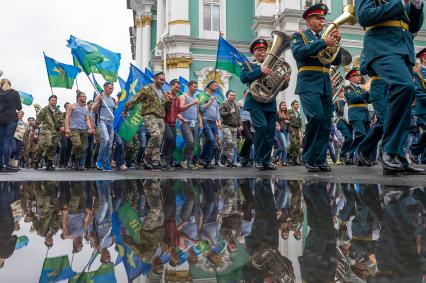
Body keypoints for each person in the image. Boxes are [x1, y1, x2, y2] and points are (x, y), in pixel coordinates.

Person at [356, 0, 424, 175]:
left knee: (406, 98)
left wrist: (416, 6)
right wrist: (401, 2)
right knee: (405, 87)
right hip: (382, 47)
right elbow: (364, 16)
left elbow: (413, 26)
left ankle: (398, 157)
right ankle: (388, 150)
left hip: (403, 48)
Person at [291, 3, 342, 172]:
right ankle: (308, 156)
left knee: (326, 122)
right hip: (308, 82)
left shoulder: (325, 39)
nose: (322, 21)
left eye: (323, 18)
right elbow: (299, 53)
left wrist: (336, 42)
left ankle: (320, 159)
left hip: (325, 83)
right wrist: (322, 43)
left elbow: (336, 60)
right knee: (316, 118)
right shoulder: (299, 36)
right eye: (318, 18)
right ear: (308, 20)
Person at [241, 38, 290, 170]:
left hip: (269, 102)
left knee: (269, 132)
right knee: (261, 128)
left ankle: (266, 161)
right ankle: (257, 159)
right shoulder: (248, 64)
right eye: (259, 50)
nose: (262, 52)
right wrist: (260, 71)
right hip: (255, 102)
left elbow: (276, 86)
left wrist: (284, 82)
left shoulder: (273, 66)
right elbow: (244, 78)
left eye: (264, 50)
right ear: (254, 52)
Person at [124, 71, 169, 170]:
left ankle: (155, 163)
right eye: (161, 80)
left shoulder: (163, 92)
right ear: (155, 79)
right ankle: (147, 156)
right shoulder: (147, 89)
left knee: (159, 141)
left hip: (160, 117)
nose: (162, 82)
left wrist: (169, 100)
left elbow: (167, 106)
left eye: (164, 80)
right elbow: (135, 99)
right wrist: (126, 109)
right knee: (156, 135)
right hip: (149, 115)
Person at [343, 68, 371, 164]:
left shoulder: (361, 88)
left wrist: (370, 94)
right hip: (356, 114)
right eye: (357, 76)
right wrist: (365, 93)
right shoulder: (349, 88)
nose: (359, 77)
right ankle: (348, 153)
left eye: (359, 75)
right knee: (361, 134)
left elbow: (368, 100)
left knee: (367, 136)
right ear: (351, 77)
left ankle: (361, 157)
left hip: (365, 114)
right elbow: (352, 99)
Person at [32, 95, 64, 170]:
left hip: (55, 132)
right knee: (42, 146)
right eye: (52, 100)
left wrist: (63, 126)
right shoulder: (44, 110)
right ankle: (37, 161)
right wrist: (33, 130)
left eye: (55, 100)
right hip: (46, 131)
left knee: (53, 147)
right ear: (49, 101)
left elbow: (62, 121)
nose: (54, 101)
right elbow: (38, 120)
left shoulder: (58, 111)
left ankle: (49, 163)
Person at [65, 90, 93, 171]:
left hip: (83, 129)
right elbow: (67, 117)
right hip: (74, 129)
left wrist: (90, 128)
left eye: (85, 96)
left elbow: (87, 119)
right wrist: (67, 128)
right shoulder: (72, 106)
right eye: (83, 96)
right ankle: (72, 156)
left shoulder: (85, 108)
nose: (85, 98)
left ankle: (77, 162)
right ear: (78, 97)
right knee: (77, 144)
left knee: (83, 147)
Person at [92, 81, 116, 172]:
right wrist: (98, 101)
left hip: (111, 123)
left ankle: (106, 163)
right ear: (105, 88)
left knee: (110, 144)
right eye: (110, 88)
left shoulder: (113, 99)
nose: (111, 90)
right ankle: (99, 160)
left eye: (112, 88)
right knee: (105, 139)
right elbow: (93, 109)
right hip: (102, 121)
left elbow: (115, 111)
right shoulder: (99, 96)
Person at [178, 80, 203, 169]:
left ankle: (189, 162)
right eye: (194, 87)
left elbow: (198, 112)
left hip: (194, 123)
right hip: (185, 122)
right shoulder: (183, 96)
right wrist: (192, 103)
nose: (196, 89)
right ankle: (183, 160)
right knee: (190, 141)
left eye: (196, 87)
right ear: (189, 87)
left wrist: (200, 122)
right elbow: (180, 108)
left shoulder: (196, 99)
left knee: (194, 143)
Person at [0, 78, 22, 172]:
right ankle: (5, 164)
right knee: (7, 142)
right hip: (11, 119)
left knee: (1, 142)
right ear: (10, 84)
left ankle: (0, 164)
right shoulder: (15, 93)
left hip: (0, 119)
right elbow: (19, 107)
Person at [199, 80, 222, 169]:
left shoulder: (215, 98)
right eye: (215, 85)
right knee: (211, 139)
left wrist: (218, 120)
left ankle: (207, 162)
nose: (216, 87)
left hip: (213, 123)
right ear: (209, 86)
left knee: (213, 143)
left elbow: (217, 111)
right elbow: (201, 108)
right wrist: (209, 102)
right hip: (206, 121)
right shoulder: (203, 96)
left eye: (217, 85)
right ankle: (202, 158)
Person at [160, 79, 181, 169]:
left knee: (173, 143)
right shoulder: (165, 95)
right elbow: (161, 107)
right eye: (176, 87)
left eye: (178, 88)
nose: (177, 89)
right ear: (171, 86)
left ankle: (167, 162)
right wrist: (168, 100)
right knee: (168, 137)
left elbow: (177, 112)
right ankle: (162, 156)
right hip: (165, 121)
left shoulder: (177, 98)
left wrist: (181, 117)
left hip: (173, 122)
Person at [219, 90, 242, 167]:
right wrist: (229, 112)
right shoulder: (224, 104)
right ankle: (223, 157)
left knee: (233, 144)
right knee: (229, 141)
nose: (233, 96)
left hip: (234, 127)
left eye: (234, 95)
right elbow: (221, 113)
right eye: (232, 95)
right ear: (227, 96)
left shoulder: (235, 106)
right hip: (226, 126)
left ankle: (229, 161)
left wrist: (240, 125)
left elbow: (238, 117)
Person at [334, 88, 353, 165]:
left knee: (351, 140)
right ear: (339, 94)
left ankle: (347, 157)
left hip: (349, 123)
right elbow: (338, 111)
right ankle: (342, 155)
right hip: (342, 122)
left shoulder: (349, 101)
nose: (344, 93)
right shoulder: (337, 102)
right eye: (342, 92)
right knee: (349, 138)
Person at [237, 89, 254, 167]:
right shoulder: (240, 102)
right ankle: (241, 155)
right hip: (243, 122)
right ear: (244, 94)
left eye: (250, 93)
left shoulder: (251, 103)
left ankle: (245, 160)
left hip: (250, 124)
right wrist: (239, 124)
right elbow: (237, 114)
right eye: (247, 93)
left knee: (250, 141)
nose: (248, 94)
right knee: (249, 138)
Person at [274, 101, 290, 166]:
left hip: (286, 131)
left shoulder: (287, 113)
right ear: (280, 106)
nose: (284, 106)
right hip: (280, 131)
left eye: (285, 105)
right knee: (284, 146)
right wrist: (277, 125)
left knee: (285, 147)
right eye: (282, 105)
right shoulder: (278, 113)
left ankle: (284, 162)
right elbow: (273, 120)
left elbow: (288, 123)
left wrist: (288, 122)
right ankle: (273, 156)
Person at [287, 100, 302, 166]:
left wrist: (301, 133)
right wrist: (291, 129)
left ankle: (295, 160)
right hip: (291, 129)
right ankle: (289, 155)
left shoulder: (298, 113)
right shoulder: (289, 111)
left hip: (297, 130)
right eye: (296, 104)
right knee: (294, 143)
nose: (297, 105)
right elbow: (287, 121)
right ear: (292, 105)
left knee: (298, 145)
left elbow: (300, 124)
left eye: (298, 104)